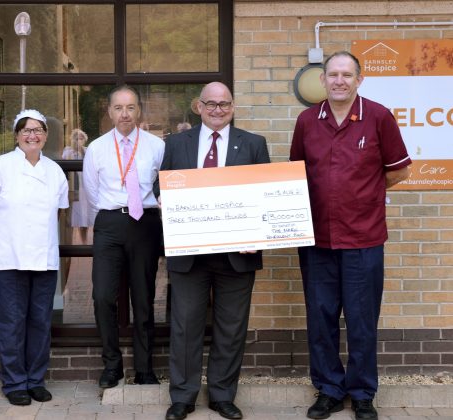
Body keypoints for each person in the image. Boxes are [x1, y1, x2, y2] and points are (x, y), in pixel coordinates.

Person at [289, 51, 411, 420]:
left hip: (364, 240)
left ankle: (361, 393)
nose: (339, 80)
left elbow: (399, 171)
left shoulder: (378, 117)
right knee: (321, 319)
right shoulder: (308, 121)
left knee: (361, 321)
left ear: (360, 79)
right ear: (322, 80)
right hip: (317, 240)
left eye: (346, 74)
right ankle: (328, 389)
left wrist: (366, 192)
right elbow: (296, 173)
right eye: (332, 74)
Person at [157, 82, 269, 420]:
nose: (218, 110)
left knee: (231, 327)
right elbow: (158, 184)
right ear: (198, 106)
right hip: (189, 253)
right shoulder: (176, 144)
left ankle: (222, 395)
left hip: (238, 253)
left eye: (225, 104)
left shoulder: (253, 144)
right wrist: (164, 199)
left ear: (233, 107)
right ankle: (183, 397)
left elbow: (266, 193)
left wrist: (258, 233)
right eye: (211, 104)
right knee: (185, 326)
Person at [0, 109, 68, 406]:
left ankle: (35, 380)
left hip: (43, 259)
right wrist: (3, 238)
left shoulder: (54, 171)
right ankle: (14, 382)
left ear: (46, 135)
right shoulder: (1, 167)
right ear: (16, 135)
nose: (32, 135)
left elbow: (58, 214)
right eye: (26, 130)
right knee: (12, 321)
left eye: (38, 130)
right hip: (9, 259)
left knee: (40, 321)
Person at [83, 85, 165, 388]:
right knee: (103, 296)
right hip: (109, 223)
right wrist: (113, 211)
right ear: (109, 112)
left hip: (144, 224)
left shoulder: (156, 146)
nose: (124, 114)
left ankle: (144, 369)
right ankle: (112, 365)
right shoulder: (97, 147)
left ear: (138, 110)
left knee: (143, 298)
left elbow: (162, 185)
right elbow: (92, 192)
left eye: (130, 107)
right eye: (118, 108)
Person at [62, 128, 90, 243]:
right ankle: (70, 244)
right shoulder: (68, 152)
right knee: (71, 218)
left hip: (85, 189)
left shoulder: (87, 151)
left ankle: (84, 243)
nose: (79, 140)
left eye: (81, 138)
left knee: (84, 219)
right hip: (74, 189)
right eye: (77, 138)